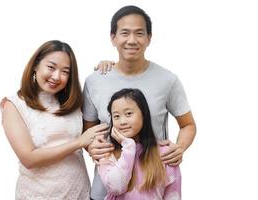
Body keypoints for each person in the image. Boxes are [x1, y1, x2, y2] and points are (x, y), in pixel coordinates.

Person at [83, 5, 196, 200]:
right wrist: (91, 147)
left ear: (149, 38)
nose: (132, 40)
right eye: (124, 33)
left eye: (139, 33)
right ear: (113, 38)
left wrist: (180, 147)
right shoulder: (95, 80)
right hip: (105, 188)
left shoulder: (167, 80)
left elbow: (188, 125)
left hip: (152, 187)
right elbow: (87, 132)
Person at [0, 40, 108, 200]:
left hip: (79, 191)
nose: (57, 76)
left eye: (65, 71)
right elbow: (29, 159)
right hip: (39, 194)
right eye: (51, 67)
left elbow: (90, 138)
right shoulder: (14, 104)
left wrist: (109, 70)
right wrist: (79, 142)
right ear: (36, 65)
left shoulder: (72, 103)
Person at [98, 88, 181, 200]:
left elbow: (173, 195)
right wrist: (128, 146)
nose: (122, 121)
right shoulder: (106, 154)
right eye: (116, 116)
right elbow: (117, 187)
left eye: (128, 114)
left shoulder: (165, 153)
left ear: (143, 114)